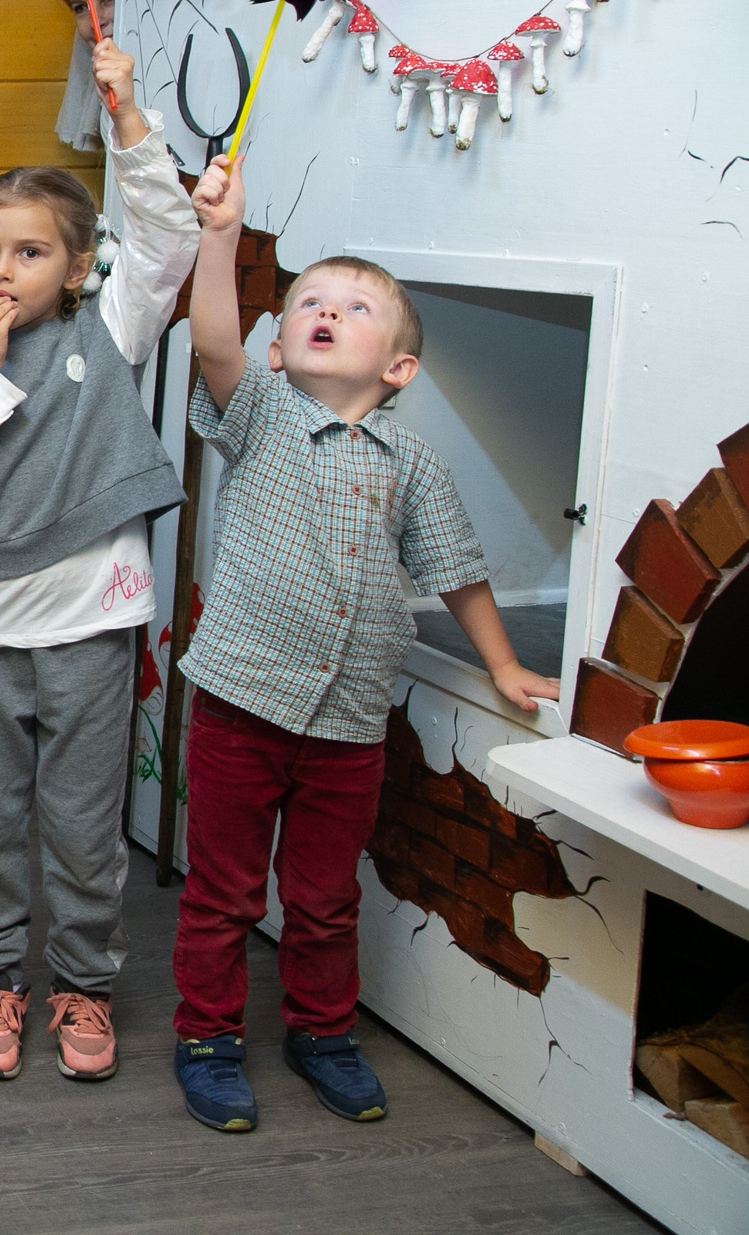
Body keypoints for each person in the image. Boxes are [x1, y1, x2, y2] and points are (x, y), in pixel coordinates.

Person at [173, 156, 559, 1133]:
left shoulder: (413, 462)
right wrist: (220, 235)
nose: (324, 311)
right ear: (280, 344)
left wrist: (504, 662)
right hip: (237, 704)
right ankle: (208, 1039)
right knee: (221, 892)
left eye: (352, 307)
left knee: (321, 896)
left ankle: (322, 1033)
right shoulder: (256, 412)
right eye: (309, 301)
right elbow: (214, 340)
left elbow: (455, 566)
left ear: (398, 368)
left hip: (346, 724)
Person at [0, 37, 194, 1084]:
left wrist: (128, 120)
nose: (1, 268)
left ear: (76, 267)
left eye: (27, 252)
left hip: (93, 615)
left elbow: (163, 235)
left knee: (80, 822)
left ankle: (81, 983)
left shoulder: (108, 329)